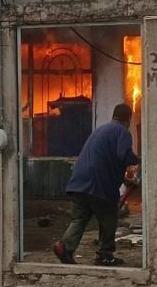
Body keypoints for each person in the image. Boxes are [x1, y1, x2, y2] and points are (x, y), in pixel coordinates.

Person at [53, 103, 139, 266]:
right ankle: (105, 254)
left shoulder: (101, 131)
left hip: (79, 183)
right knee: (109, 218)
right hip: (97, 186)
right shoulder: (122, 132)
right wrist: (137, 160)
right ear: (128, 119)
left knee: (79, 219)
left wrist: (125, 180)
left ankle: (65, 247)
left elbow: (105, 162)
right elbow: (123, 156)